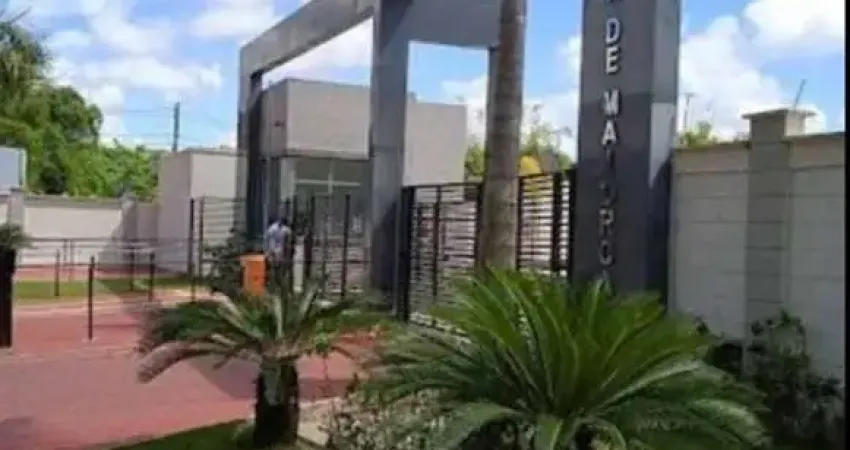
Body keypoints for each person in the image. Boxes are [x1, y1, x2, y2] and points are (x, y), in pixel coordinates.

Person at [264, 215, 292, 292]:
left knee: (275, 269)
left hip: (274, 251)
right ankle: (275, 286)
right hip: (277, 252)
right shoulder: (279, 229)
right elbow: (289, 235)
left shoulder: (273, 228)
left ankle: (274, 286)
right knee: (276, 270)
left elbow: (267, 239)